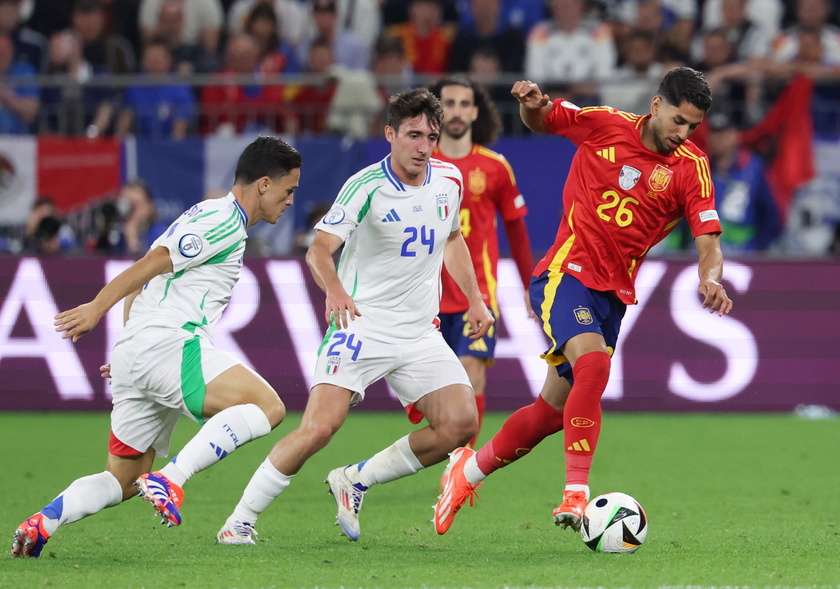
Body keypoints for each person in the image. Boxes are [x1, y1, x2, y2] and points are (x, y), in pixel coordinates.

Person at [433, 67, 734, 536]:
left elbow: (709, 241)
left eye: (692, 126)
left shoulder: (691, 169)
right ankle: (576, 492)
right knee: (593, 366)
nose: (682, 133)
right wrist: (531, 104)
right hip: (565, 273)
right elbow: (545, 119)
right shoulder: (605, 124)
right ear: (655, 105)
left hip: (612, 296)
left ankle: (466, 473)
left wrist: (710, 277)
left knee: (550, 414)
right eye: (677, 120)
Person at [215, 87, 493, 545]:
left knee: (461, 424)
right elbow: (319, 249)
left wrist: (476, 299)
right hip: (362, 324)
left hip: (420, 331)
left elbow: (452, 239)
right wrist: (337, 291)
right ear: (390, 134)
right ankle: (238, 521)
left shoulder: (449, 180)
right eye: (413, 135)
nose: (423, 147)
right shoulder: (366, 186)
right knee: (319, 428)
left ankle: (356, 479)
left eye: (431, 136)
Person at [11, 136, 302, 558]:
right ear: (262, 184)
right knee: (269, 407)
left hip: (141, 351)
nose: (291, 200)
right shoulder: (222, 221)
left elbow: (147, 279)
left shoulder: (207, 215)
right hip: (170, 342)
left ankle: (43, 522)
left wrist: (130, 344)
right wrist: (96, 308)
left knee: (122, 479)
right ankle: (173, 478)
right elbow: (150, 265)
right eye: (288, 189)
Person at [429, 76, 534, 448]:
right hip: (425, 297)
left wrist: (530, 286)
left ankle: (461, 466)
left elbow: (518, 233)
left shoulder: (494, 167)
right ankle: (444, 445)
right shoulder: (419, 164)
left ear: (475, 111)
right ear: (437, 112)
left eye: (464, 104)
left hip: (478, 296)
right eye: (449, 104)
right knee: (433, 395)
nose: (457, 111)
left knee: (473, 378)